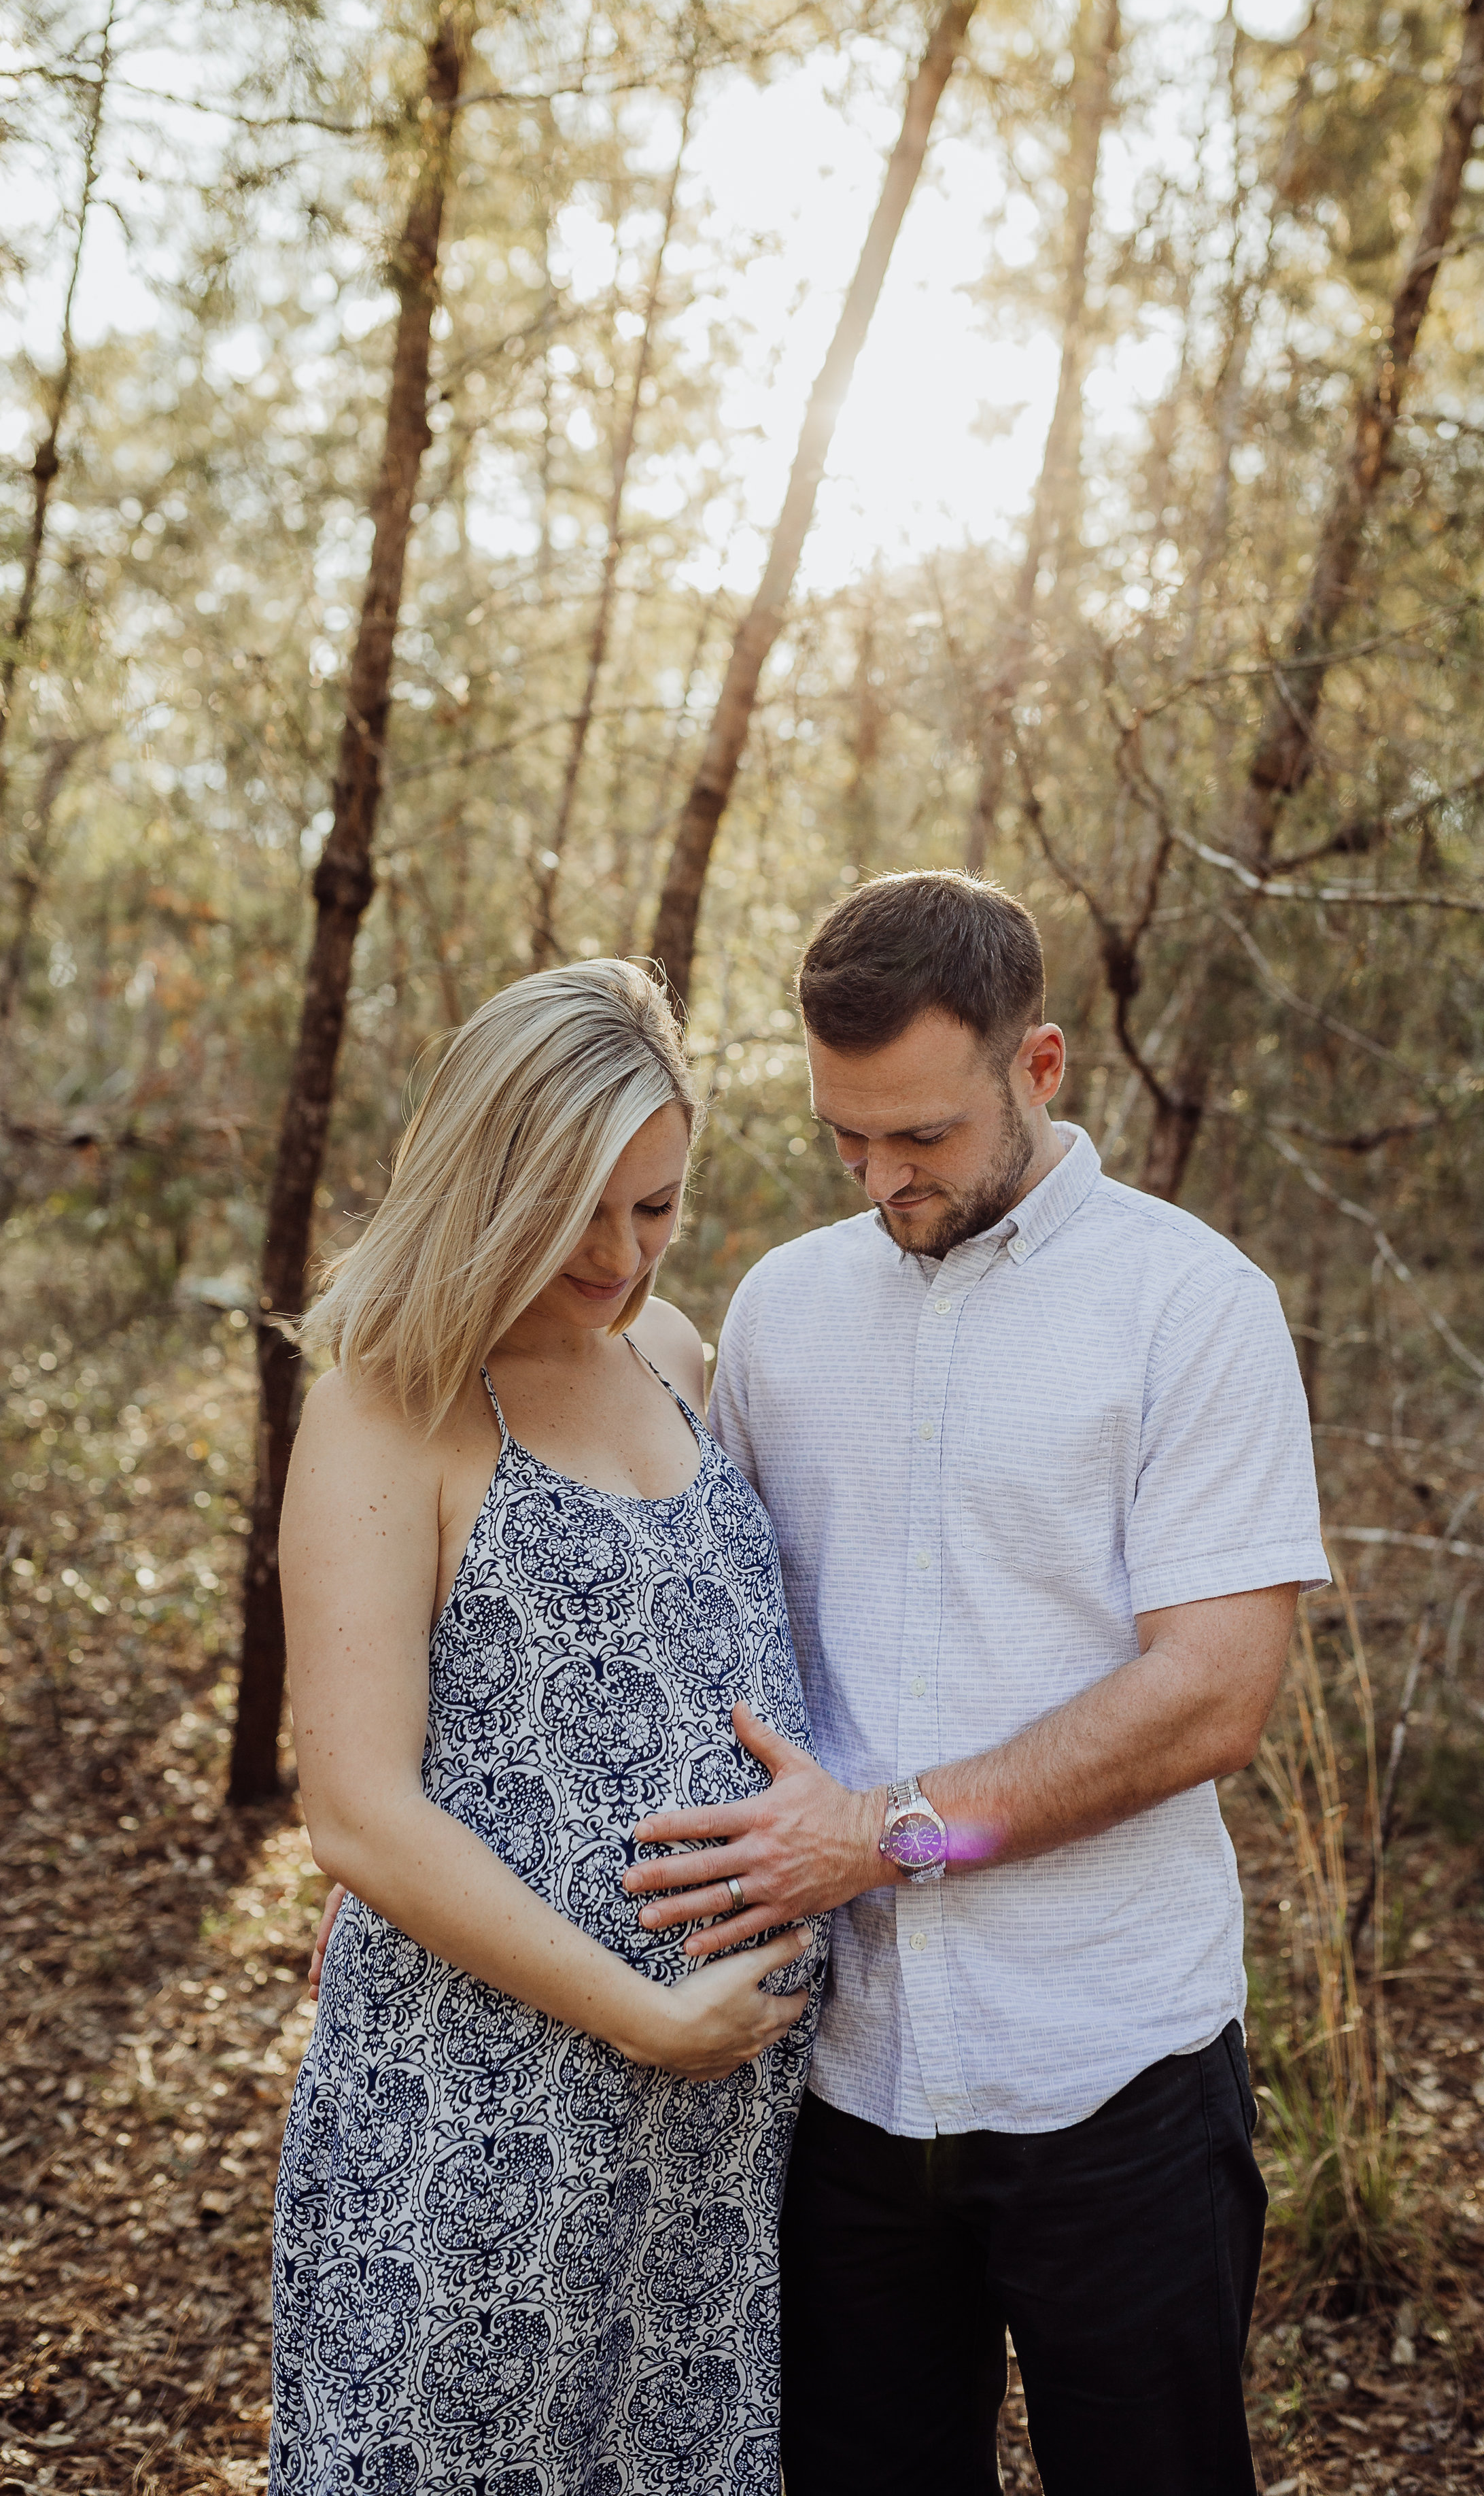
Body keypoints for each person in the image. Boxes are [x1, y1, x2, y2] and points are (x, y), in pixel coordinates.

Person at [620, 872, 1331, 2496]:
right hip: (838, 2088)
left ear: (1040, 1066)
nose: (881, 1180)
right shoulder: (785, 1311)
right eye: (844, 1141)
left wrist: (894, 1835)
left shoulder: (1192, 1308)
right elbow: (695, 1626)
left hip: (1114, 2078)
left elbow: (1214, 1691)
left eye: (920, 1138)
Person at [271, 960, 823, 2496]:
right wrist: (648, 2015)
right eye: (580, 1209)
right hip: (481, 2128)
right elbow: (360, 1813)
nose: (619, 1255)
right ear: (488, 1177)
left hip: (712, 2157)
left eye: (653, 1208)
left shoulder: (676, 1355)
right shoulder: (392, 1405)